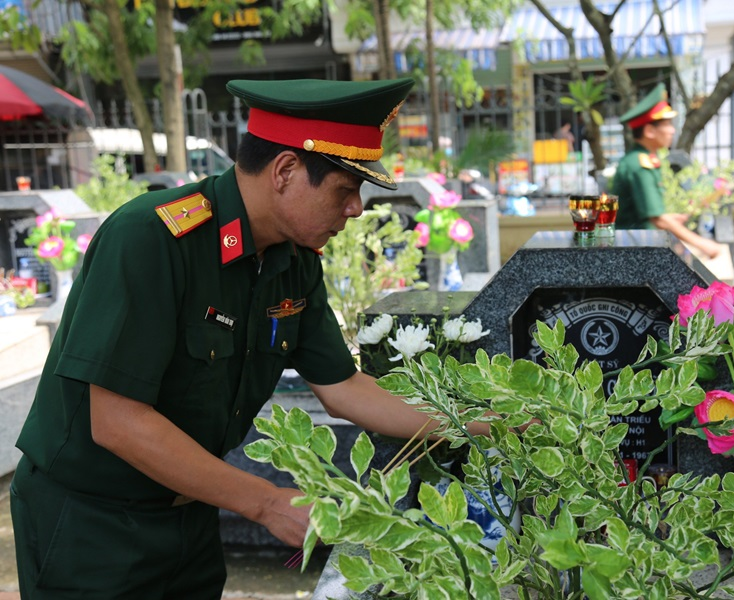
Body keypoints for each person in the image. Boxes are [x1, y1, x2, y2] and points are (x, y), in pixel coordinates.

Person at [10, 77, 494, 599]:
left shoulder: (293, 261)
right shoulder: (152, 239)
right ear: (285, 171)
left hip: (192, 509)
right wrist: (264, 502)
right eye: (344, 189)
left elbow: (344, 387)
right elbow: (118, 422)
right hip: (90, 524)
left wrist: (485, 423)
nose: (356, 209)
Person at [609, 83, 721, 258]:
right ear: (649, 131)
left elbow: (649, 214)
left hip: (638, 246)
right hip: (633, 251)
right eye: (667, 124)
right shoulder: (640, 165)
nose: (672, 130)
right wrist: (703, 244)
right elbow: (657, 219)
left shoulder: (643, 160)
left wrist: (671, 218)